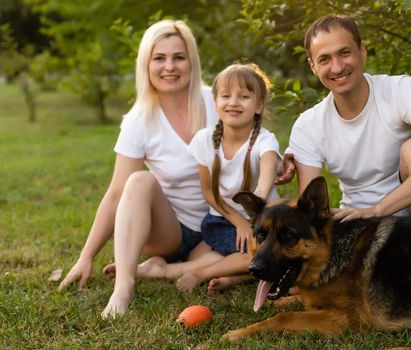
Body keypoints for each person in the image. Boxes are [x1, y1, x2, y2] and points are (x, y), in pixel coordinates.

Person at [57, 19, 219, 319]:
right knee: (139, 181)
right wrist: (86, 256)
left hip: (219, 227)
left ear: (191, 61)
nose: (169, 66)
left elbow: (254, 147)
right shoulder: (139, 120)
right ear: (147, 64)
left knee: (251, 253)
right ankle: (125, 284)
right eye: (159, 58)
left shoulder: (217, 100)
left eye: (178, 57)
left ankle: (159, 270)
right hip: (171, 230)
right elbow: (117, 194)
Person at [285, 14, 411, 224]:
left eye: (344, 53)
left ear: (362, 51)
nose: (337, 67)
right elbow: (311, 208)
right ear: (313, 66)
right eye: (325, 59)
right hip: (360, 226)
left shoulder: (401, 90)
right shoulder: (308, 125)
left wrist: (379, 209)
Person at [138, 63, 280, 293]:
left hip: (260, 220)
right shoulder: (205, 140)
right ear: (216, 103)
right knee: (237, 254)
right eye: (226, 96)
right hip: (222, 220)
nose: (233, 102)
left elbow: (266, 177)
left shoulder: (265, 142)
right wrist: (239, 222)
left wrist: (255, 212)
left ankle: (204, 275)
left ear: (259, 105)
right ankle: (197, 271)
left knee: (264, 254)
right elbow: (208, 192)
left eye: (244, 96)